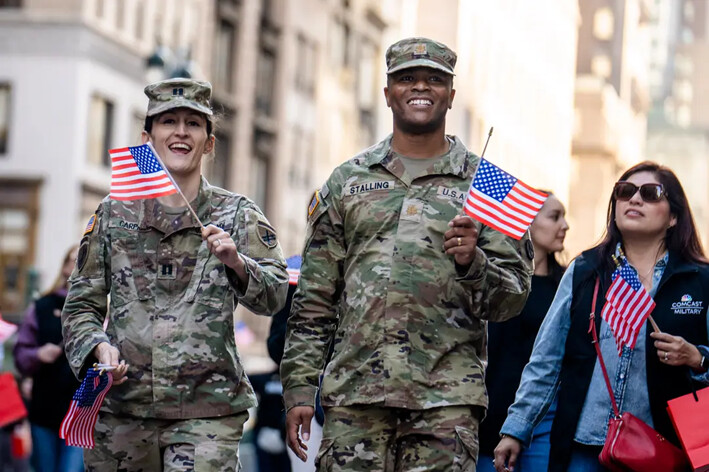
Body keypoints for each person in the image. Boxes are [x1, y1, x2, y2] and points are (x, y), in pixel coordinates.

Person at [280, 37, 533, 471]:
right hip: (355, 398)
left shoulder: (488, 184)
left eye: (435, 80)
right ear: (388, 93)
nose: (421, 87)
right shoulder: (347, 181)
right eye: (407, 78)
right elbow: (315, 300)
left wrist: (474, 264)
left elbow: (512, 300)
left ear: (451, 95)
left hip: (445, 402)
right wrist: (300, 389)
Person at [61, 77, 289, 471]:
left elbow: (276, 294)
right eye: (168, 121)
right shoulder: (114, 214)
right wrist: (99, 349)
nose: (181, 132)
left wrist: (238, 262)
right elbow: (80, 305)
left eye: (194, 123)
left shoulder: (238, 215)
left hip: (206, 410)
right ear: (147, 137)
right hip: (123, 408)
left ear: (209, 142)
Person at [494, 161, 709, 472]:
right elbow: (546, 360)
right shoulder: (585, 270)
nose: (634, 199)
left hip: (666, 450)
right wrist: (516, 428)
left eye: (650, 193)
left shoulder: (699, 280)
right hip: (584, 447)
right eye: (625, 192)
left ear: (673, 216)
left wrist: (697, 357)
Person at [477, 194, 568, 472]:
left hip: (542, 416)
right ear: (526, 221)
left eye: (564, 216)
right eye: (554, 217)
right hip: (489, 411)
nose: (565, 225)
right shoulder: (495, 278)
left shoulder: (564, 285)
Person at [14, 245, 83, 472]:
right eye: (73, 259)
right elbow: (21, 356)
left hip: (80, 414)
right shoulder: (42, 306)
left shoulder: (100, 310)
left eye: (83, 259)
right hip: (45, 409)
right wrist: (38, 354)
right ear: (64, 266)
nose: (77, 265)